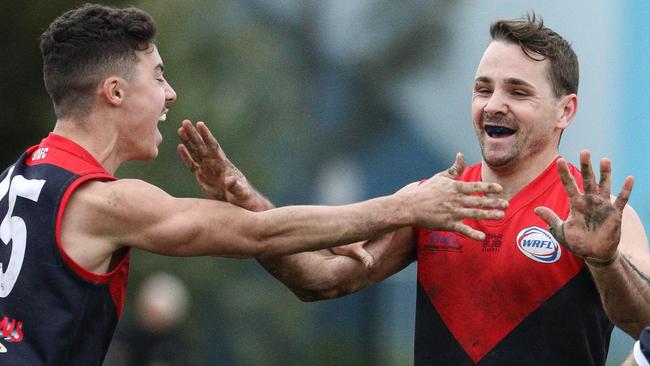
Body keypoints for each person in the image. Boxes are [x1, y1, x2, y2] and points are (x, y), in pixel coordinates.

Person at [0, 4, 510, 365]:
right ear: (114, 92)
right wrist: (406, 206)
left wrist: (245, 198)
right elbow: (258, 235)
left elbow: (261, 227)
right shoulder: (103, 201)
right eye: (157, 76)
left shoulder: (17, 176)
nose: (170, 92)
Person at [179, 13, 650, 365]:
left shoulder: (599, 216)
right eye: (483, 89)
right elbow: (321, 279)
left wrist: (604, 261)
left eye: (518, 92)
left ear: (565, 110)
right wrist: (243, 201)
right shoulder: (430, 198)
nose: (494, 105)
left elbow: (643, 323)